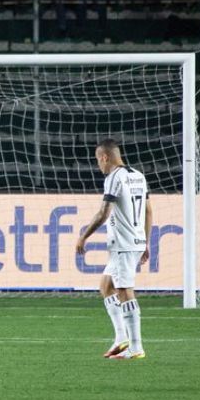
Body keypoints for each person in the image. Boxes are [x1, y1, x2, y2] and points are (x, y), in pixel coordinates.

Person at [75, 139, 151, 360]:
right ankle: (121, 338)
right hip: (135, 241)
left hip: (123, 244)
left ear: (104, 157)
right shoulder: (138, 175)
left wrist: (83, 236)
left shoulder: (114, 177)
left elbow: (103, 213)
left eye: (98, 161)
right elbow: (148, 210)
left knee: (124, 290)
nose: (99, 166)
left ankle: (136, 347)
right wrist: (145, 241)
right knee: (106, 286)